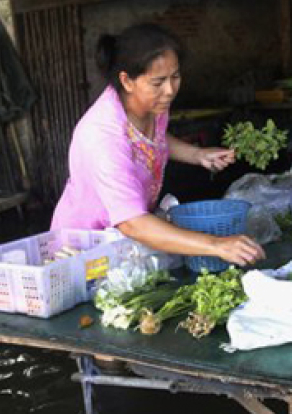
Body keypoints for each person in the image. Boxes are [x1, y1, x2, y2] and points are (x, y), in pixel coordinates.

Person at [51, 23, 265, 267]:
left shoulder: (152, 104)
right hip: (83, 253)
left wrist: (197, 155)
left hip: (123, 243)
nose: (170, 90)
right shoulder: (103, 136)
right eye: (158, 82)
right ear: (127, 81)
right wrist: (217, 245)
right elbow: (133, 223)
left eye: (175, 77)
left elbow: (153, 140)